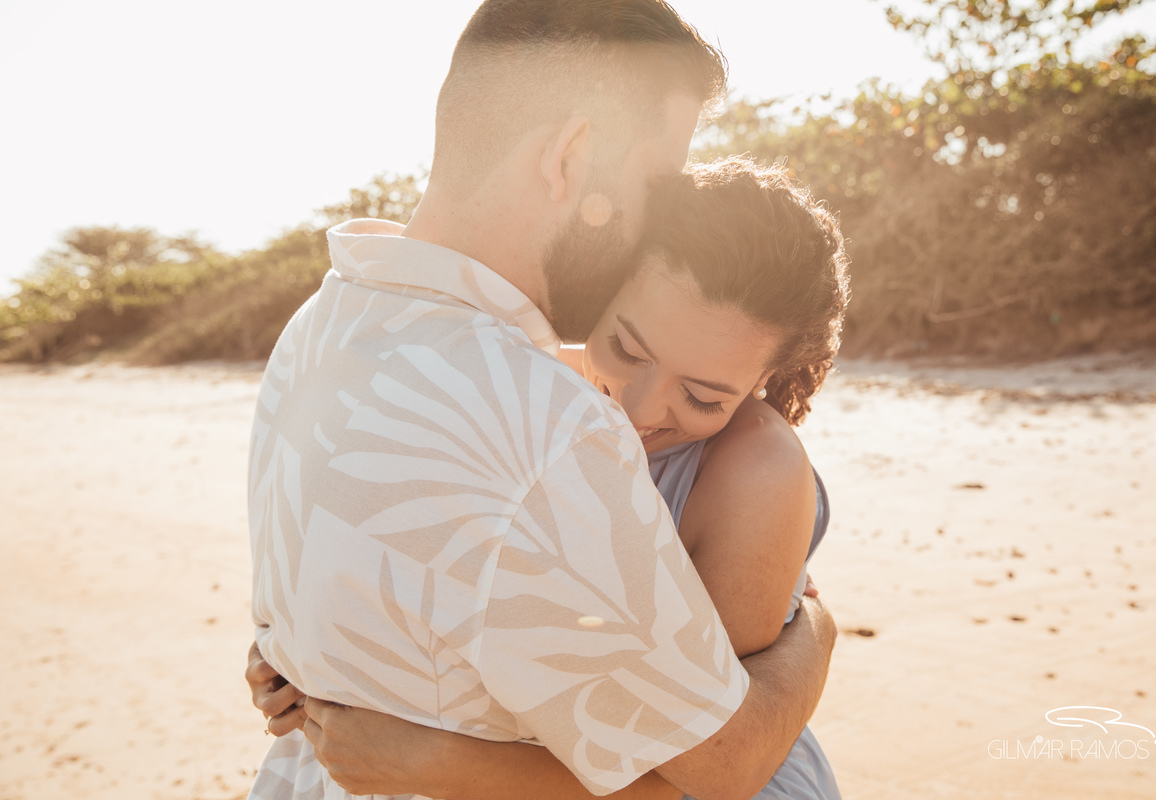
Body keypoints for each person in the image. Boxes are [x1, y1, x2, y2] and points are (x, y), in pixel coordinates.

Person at [244, 2, 838, 798]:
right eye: (655, 187)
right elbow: (721, 764)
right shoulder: (542, 426)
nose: (656, 223)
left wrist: (300, 656)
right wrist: (817, 634)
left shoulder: (321, 328)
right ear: (570, 157)